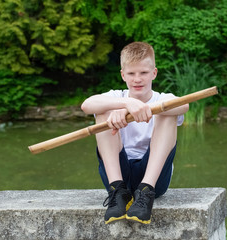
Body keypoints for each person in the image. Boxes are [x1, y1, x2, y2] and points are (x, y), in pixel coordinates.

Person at [81, 42, 189, 224]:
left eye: (144, 73)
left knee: (168, 112)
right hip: (118, 173)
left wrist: (143, 108)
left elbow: (183, 105)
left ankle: (145, 191)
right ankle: (118, 191)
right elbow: (87, 105)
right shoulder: (117, 96)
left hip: (154, 177)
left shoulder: (162, 98)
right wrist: (125, 105)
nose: (137, 79)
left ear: (154, 73)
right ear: (123, 75)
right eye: (131, 73)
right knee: (103, 111)